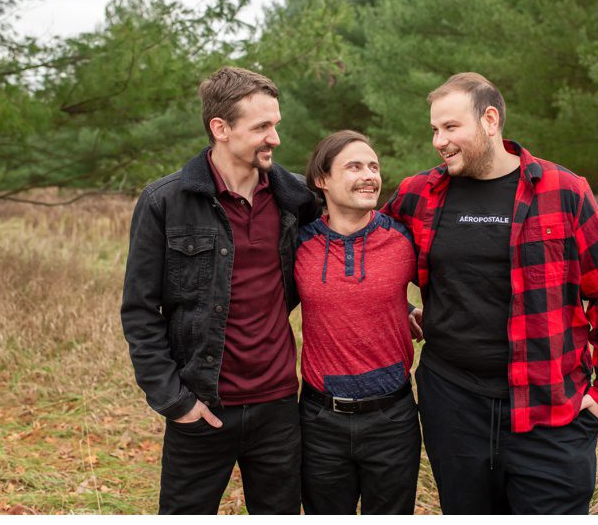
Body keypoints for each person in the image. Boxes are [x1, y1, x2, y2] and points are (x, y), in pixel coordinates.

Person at [380, 72, 598, 514]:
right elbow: (368, 252)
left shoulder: (564, 191)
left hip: (550, 408)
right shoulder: (419, 193)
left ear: (490, 120)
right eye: (434, 129)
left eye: (451, 127)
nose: (439, 140)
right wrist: (400, 307)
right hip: (454, 405)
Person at [120, 67, 317, 514]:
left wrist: (396, 306)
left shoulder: (297, 199)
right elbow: (138, 311)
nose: (275, 138)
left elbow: (340, 262)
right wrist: (175, 401)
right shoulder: (164, 202)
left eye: (276, 124)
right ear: (221, 129)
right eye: (262, 127)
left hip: (278, 407)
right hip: (202, 406)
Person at [293, 131, 424, 514]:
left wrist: (413, 309)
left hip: (393, 418)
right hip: (320, 420)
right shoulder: (299, 244)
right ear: (322, 180)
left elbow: (450, 288)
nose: (369, 175)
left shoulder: (402, 238)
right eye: (354, 167)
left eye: (374, 166)